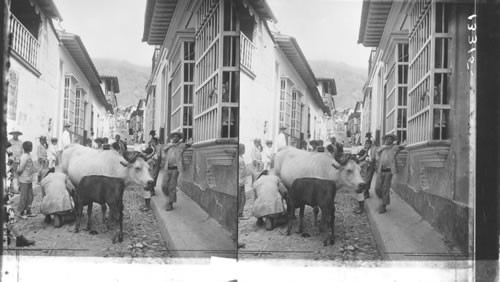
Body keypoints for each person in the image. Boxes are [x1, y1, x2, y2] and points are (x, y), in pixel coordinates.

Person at [159, 131, 191, 211]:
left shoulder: (181, 145)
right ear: (171, 138)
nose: (175, 138)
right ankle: (169, 197)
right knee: (164, 186)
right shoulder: (169, 146)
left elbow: (189, 145)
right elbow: (163, 152)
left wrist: (189, 142)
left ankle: (170, 203)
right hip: (167, 168)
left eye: (177, 137)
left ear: (179, 138)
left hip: (175, 169)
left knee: (172, 187)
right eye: (173, 136)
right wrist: (168, 147)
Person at [374, 134, 406, 214]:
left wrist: (402, 144)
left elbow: (403, 146)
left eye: (390, 139)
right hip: (380, 171)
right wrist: (378, 158)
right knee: (377, 188)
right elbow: (376, 154)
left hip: (389, 172)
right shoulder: (382, 148)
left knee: (385, 189)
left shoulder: (395, 147)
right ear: (385, 140)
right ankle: (382, 201)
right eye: (387, 139)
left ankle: (383, 206)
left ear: (392, 140)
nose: (388, 140)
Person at [353, 139, 376, 214]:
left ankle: (362, 205)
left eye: (368, 143)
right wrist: (358, 159)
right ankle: (366, 193)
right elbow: (364, 156)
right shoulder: (367, 150)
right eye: (366, 143)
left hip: (370, 165)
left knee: (366, 180)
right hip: (367, 165)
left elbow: (372, 158)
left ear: (370, 144)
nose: (366, 145)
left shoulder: (372, 149)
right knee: (366, 180)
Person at [17, 141, 36, 219]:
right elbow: (20, 168)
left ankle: (28, 211)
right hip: (24, 180)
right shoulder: (24, 157)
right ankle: (21, 212)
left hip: (29, 179)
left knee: (30, 196)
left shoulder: (28, 155)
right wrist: (19, 177)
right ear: (28, 148)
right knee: (24, 197)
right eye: (31, 146)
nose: (32, 147)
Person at [238, 143, 250, 218]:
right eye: (243, 149)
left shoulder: (241, 157)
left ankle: (240, 213)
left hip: (242, 181)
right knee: (241, 198)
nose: (244, 150)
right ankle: (240, 214)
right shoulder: (239, 159)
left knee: (243, 198)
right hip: (239, 181)